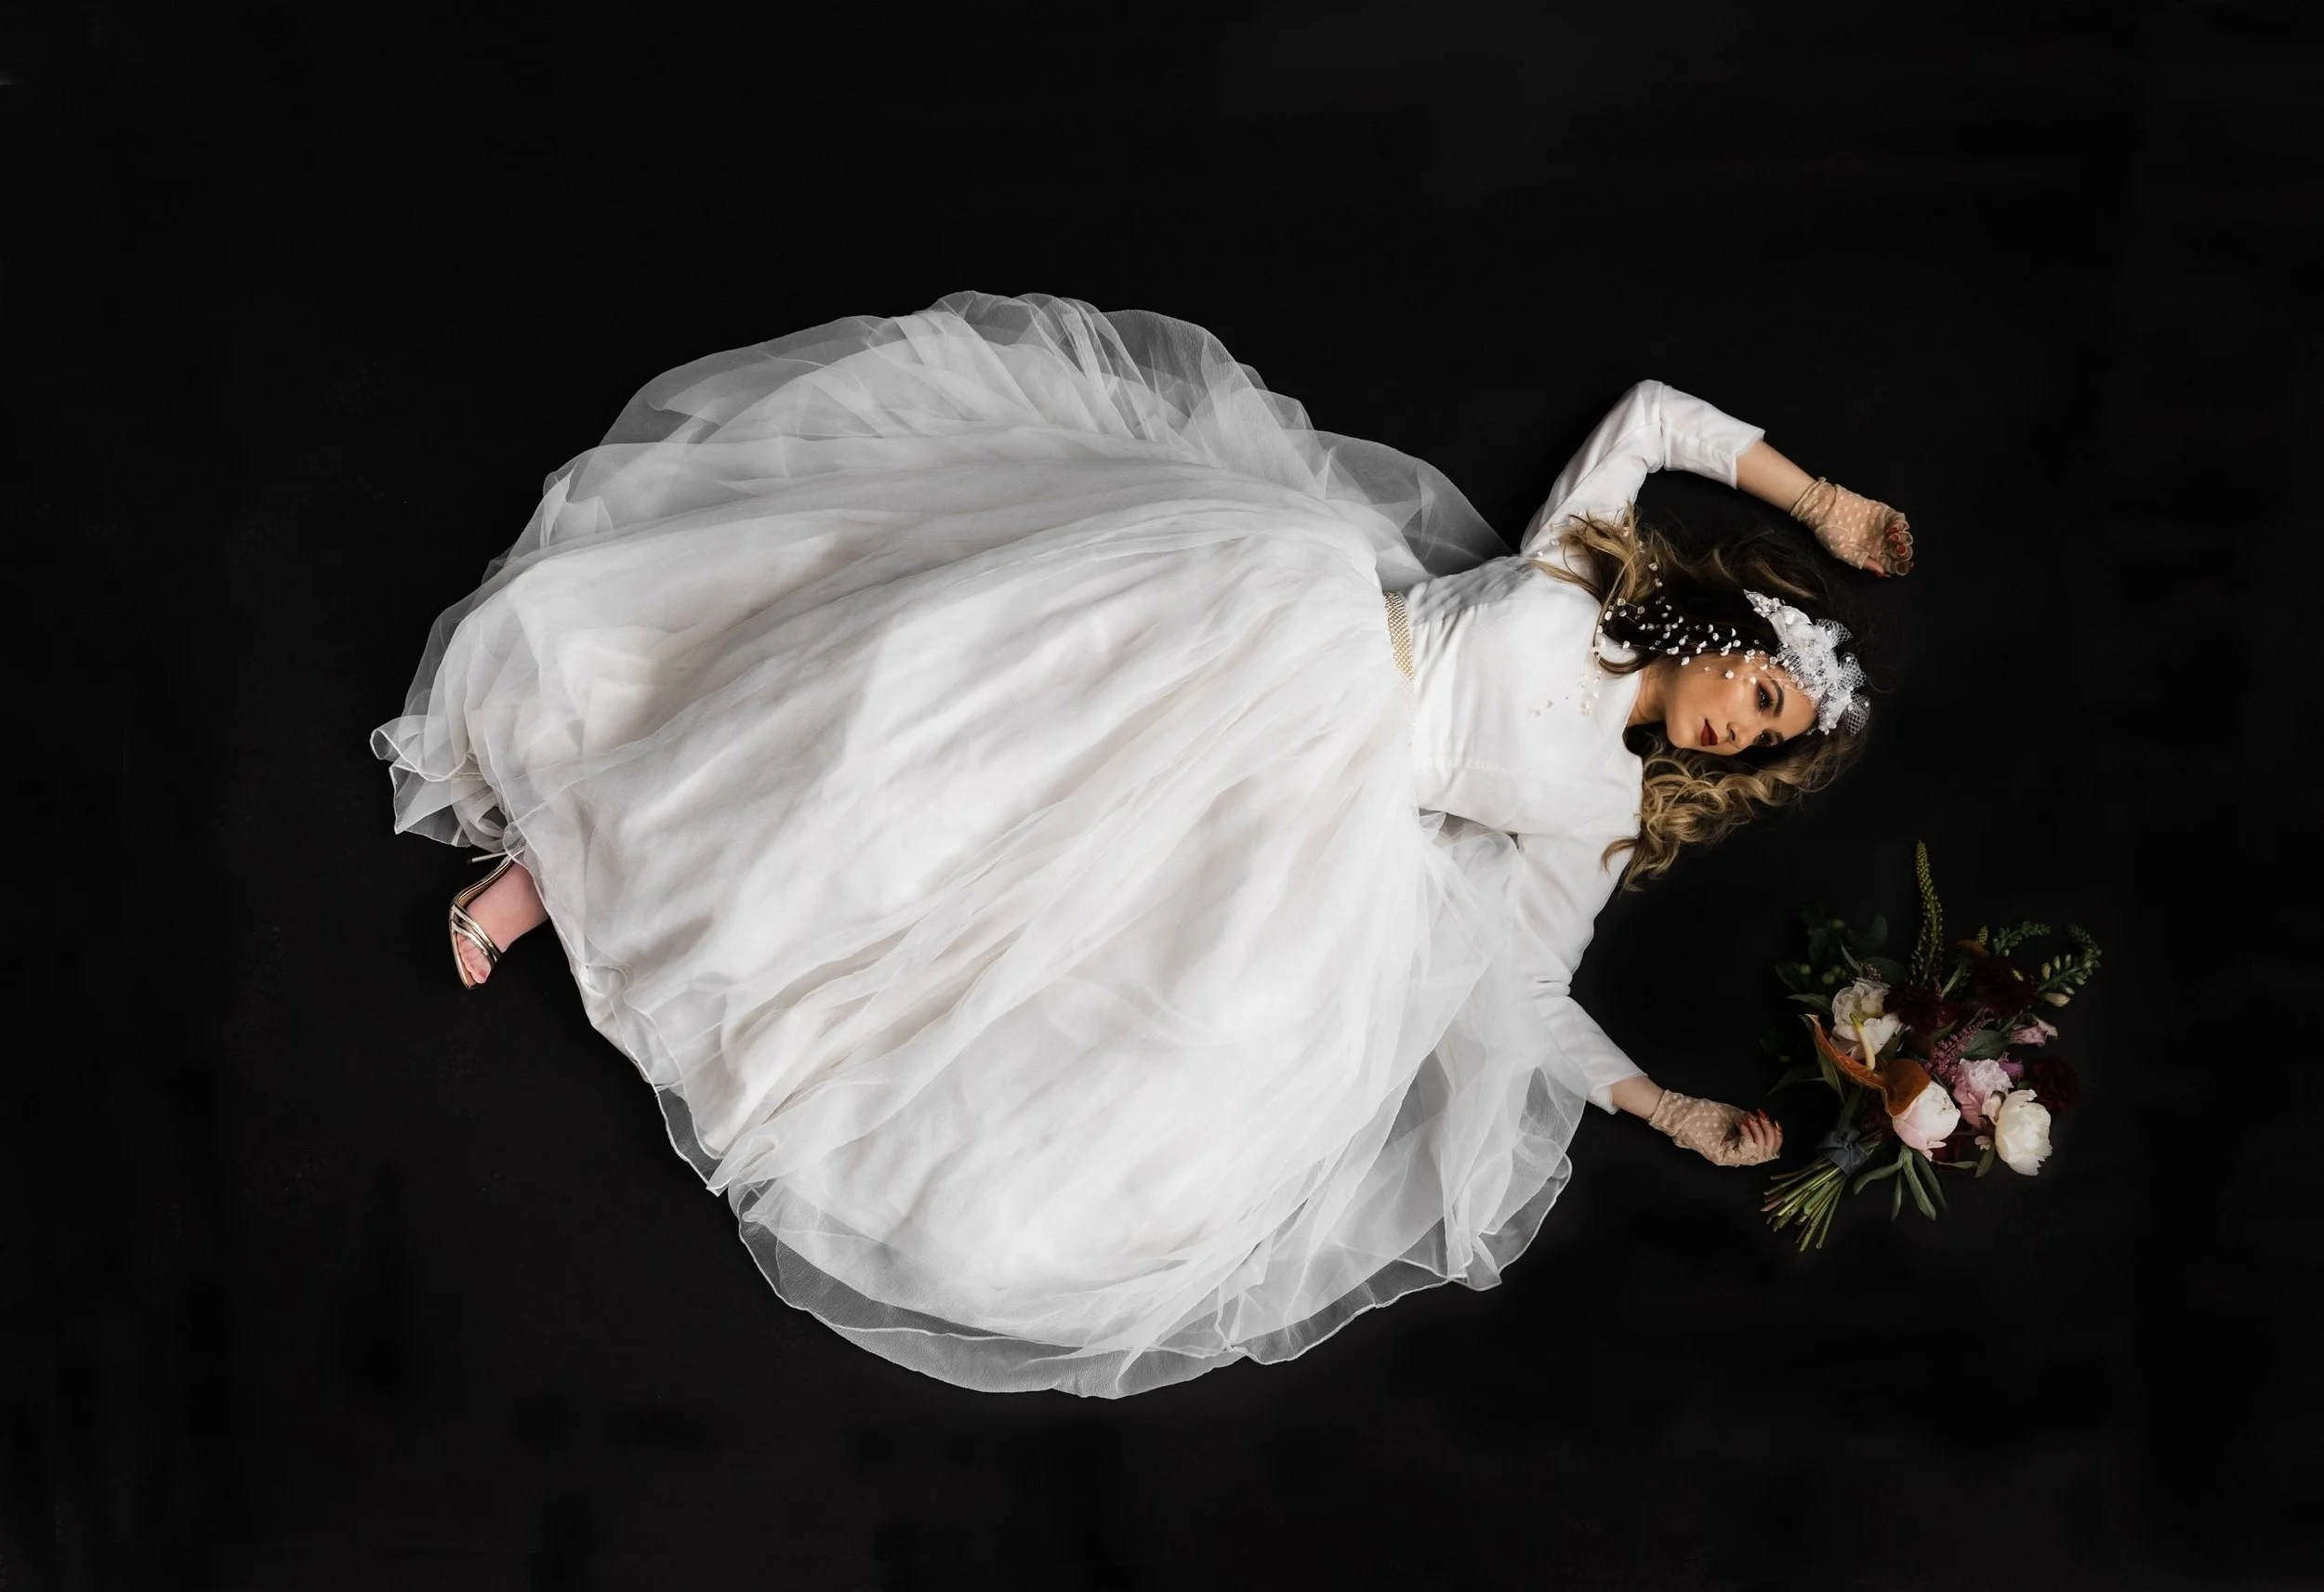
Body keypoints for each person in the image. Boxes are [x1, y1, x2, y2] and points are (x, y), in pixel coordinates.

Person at [371, 293, 1910, 1398]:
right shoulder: (1576, 567)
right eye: (1761, 692)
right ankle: (553, 870)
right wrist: (1823, 500)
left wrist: (1655, 1105)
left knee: (1067, 984)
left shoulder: (1604, 811)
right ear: (1730, 634)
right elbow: (1652, 418)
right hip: (1259, 627)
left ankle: (634, 930)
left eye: (1766, 742)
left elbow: (1517, 975)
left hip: (1298, 817)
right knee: (906, 736)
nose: (1740, 729)